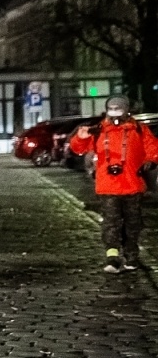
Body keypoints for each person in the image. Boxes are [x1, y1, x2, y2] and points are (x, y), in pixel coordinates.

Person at [67, 96, 158, 272]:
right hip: (108, 186)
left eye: (119, 109)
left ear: (126, 110)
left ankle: (131, 256)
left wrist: (151, 161)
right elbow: (78, 149)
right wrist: (80, 137)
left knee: (133, 223)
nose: (115, 113)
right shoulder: (99, 130)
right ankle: (112, 256)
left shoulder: (139, 129)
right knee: (111, 222)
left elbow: (153, 148)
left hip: (132, 184)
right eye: (112, 109)